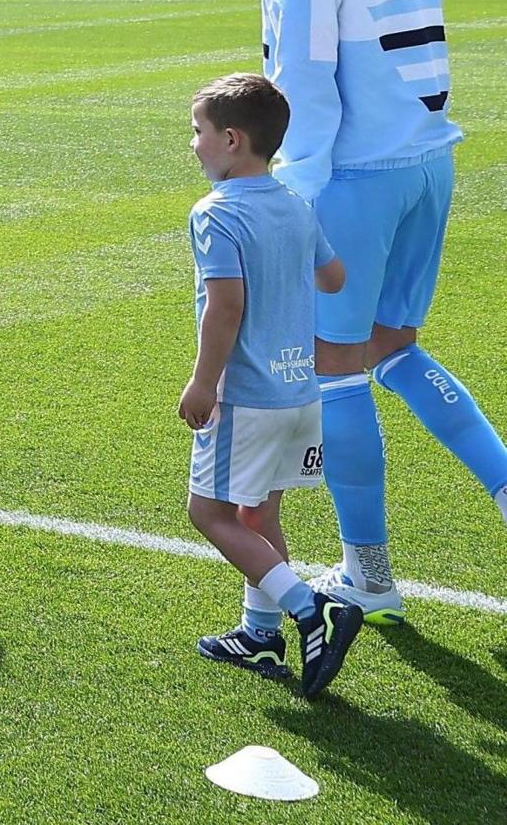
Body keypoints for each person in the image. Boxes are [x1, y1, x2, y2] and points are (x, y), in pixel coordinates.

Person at [209, 0, 507, 622]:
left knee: (333, 369)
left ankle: (369, 574)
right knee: (395, 348)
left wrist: (285, 194)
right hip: (428, 157)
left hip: (353, 174)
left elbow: (302, 69)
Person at [179, 72, 364, 698]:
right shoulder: (294, 205)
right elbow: (334, 278)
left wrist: (203, 384)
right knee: (258, 513)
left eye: (199, 132)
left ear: (232, 139)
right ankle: (259, 635)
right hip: (299, 393)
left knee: (208, 512)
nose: (195, 145)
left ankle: (311, 609)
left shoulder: (216, 212)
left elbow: (225, 306)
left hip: (248, 397)